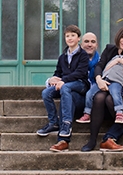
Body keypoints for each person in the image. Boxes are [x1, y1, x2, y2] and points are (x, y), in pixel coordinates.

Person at [80, 25, 123, 152]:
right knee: (99, 97)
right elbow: (100, 65)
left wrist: (120, 61)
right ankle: (92, 140)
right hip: (108, 83)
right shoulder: (110, 49)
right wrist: (99, 79)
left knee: (110, 99)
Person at [36, 24, 89, 152]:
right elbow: (58, 73)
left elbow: (81, 73)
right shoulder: (63, 56)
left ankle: (66, 124)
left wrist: (64, 80)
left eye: (73, 35)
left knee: (65, 89)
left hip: (80, 84)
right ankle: (53, 122)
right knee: (46, 93)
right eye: (67, 36)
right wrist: (52, 79)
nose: (70, 38)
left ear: (78, 38)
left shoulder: (83, 55)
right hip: (65, 83)